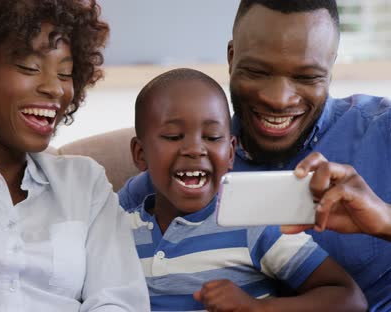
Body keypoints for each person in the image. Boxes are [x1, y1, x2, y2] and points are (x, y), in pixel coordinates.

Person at [118, 1, 391, 310]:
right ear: (232, 58)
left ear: (331, 66)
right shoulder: (183, 176)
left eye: (307, 77)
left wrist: (384, 220)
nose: (279, 99)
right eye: (257, 72)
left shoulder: (382, 129)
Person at [0, 0, 148, 311]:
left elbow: (119, 300)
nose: (55, 89)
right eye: (29, 67)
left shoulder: (84, 182)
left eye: (65, 73)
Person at [125, 67, 366, 312]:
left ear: (230, 153)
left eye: (211, 137)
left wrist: (257, 308)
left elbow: (349, 299)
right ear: (140, 153)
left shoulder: (255, 224)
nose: (195, 149)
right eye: (174, 136)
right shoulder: (115, 230)